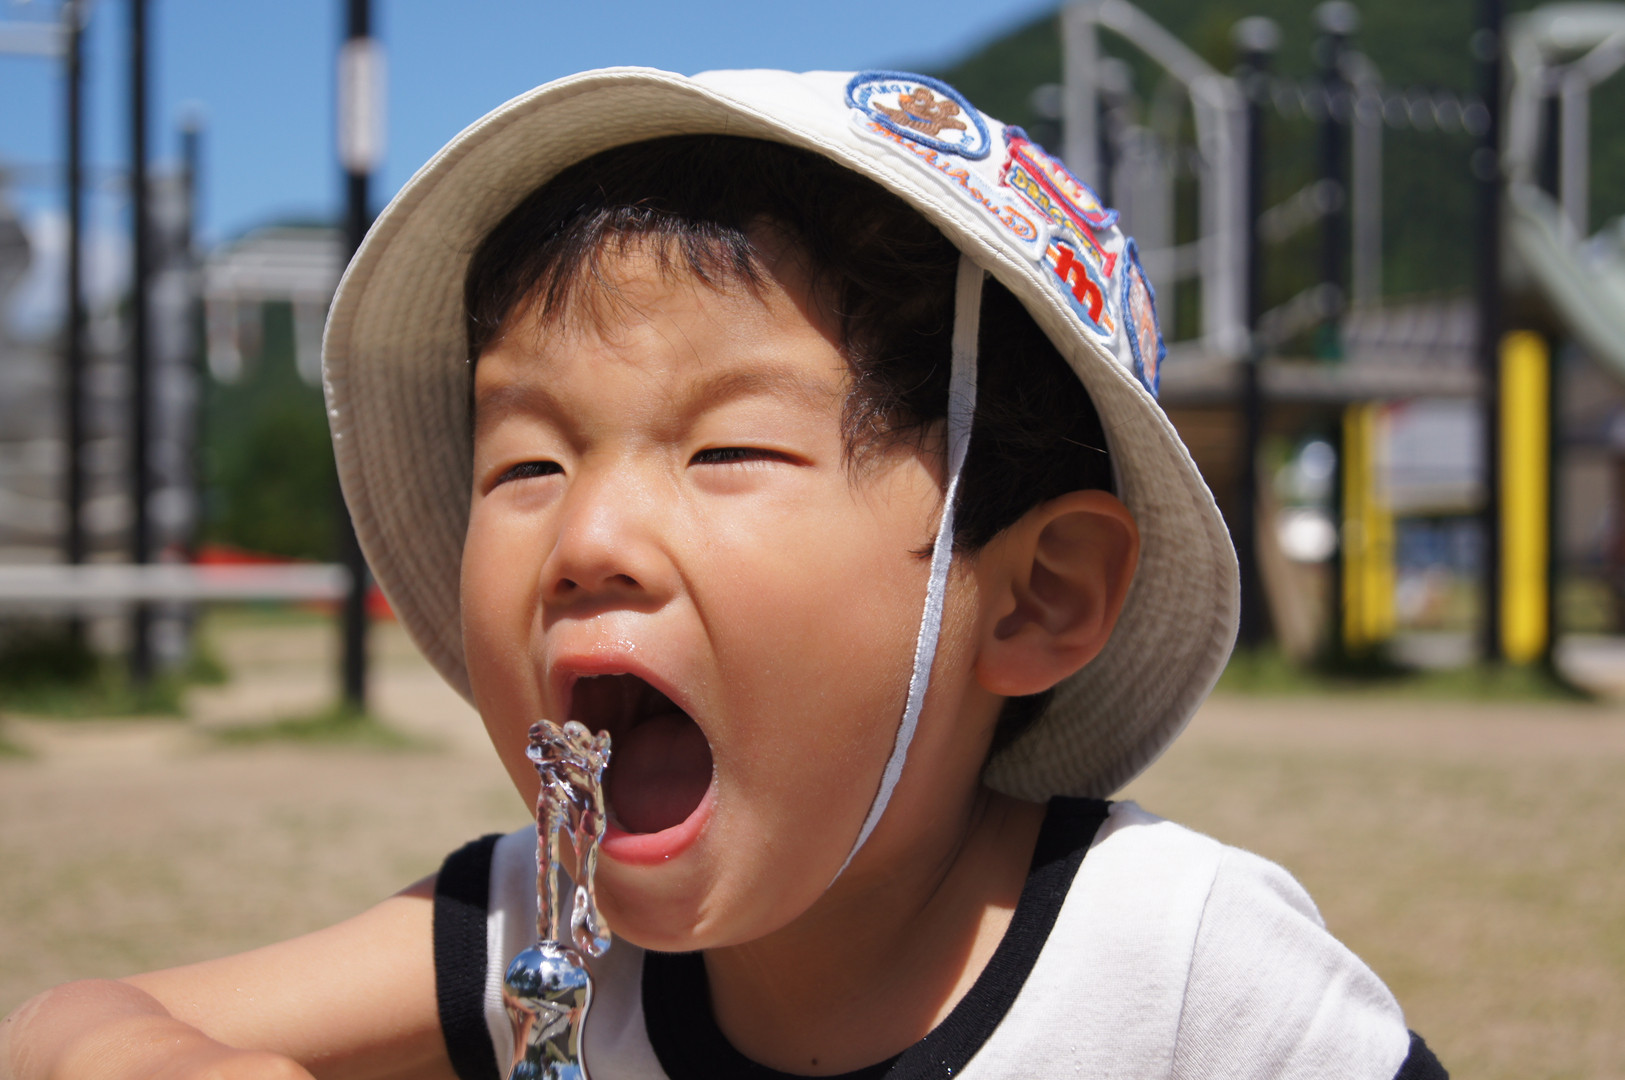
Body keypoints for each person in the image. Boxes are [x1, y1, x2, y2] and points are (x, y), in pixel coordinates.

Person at [0, 68, 1447, 1080]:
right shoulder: (534, 938)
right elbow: (61, 1022)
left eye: (729, 449)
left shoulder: (1181, 975)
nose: (586, 542)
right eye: (524, 464)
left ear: (1035, 594)